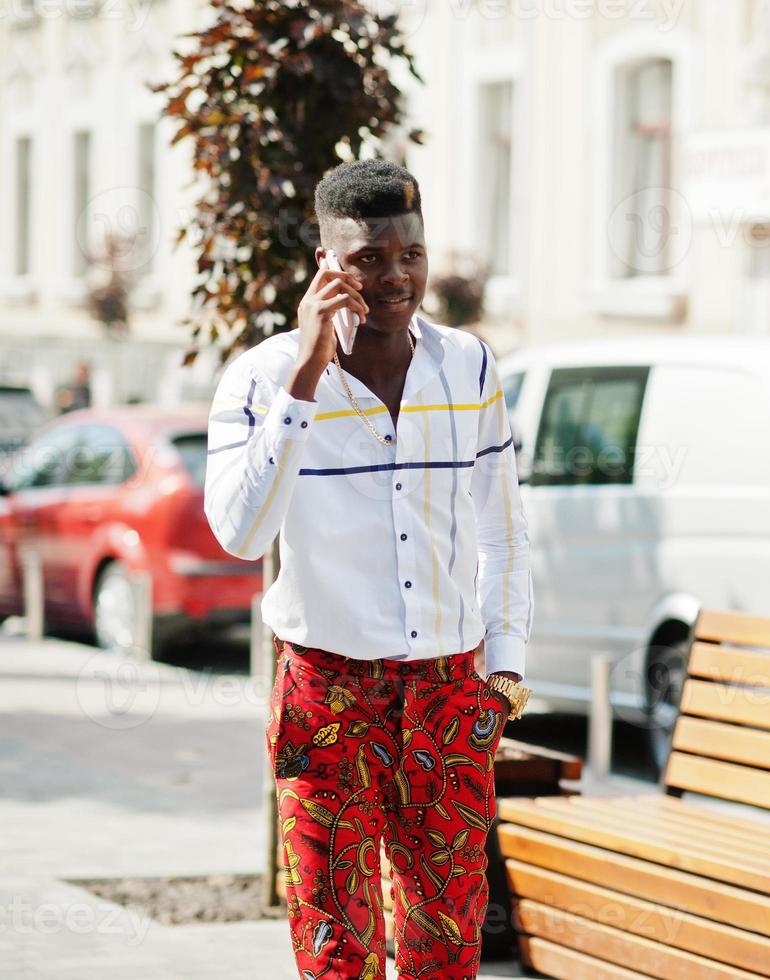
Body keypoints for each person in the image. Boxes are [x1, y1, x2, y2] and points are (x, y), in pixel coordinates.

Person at [203, 159, 532, 979]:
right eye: (368, 260)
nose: (395, 277)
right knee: (334, 948)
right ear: (326, 264)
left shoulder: (470, 367)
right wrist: (306, 377)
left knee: (445, 952)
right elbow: (243, 534)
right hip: (326, 695)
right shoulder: (259, 378)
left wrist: (503, 676)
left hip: (450, 695)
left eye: (409, 254)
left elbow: (504, 532)